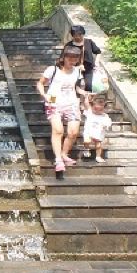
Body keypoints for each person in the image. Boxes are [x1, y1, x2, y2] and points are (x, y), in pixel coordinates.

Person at [36, 45, 86, 179]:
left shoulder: (77, 71)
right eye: (70, 58)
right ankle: (58, 159)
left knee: (73, 132)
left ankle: (64, 154)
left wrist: (85, 94)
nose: (72, 61)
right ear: (63, 57)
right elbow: (40, 83)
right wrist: (44, 95)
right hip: (53, 101)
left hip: (72, 102)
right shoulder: (53, 70)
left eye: (75, 58)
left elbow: (76, 88)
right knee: (58, 130)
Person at [65, 25, 101, 93]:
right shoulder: (69, 45)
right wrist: (76, 67)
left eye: (80, 35)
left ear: (83, 34)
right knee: (74, 87)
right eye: (75, 35)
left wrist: (97, 61)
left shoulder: (89, 42)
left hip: (88, 68)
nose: (78, 37)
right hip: (74, 69)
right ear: (72, 35)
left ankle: (87, 101)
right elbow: (65, 59)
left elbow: (98, 52)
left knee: (89, 86)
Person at [82, 93, 113, 163]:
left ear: (104, 109)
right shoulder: (90, 113)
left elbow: (108, 123)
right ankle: (86, 149)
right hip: (88, 132)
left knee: (98, 145)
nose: (98, 111)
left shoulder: (104, 116)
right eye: (96, 109)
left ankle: (98, 156)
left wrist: (106, 125)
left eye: (100, 110)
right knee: (87, 141)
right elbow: (86, 104)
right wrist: (87, 97)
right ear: (92, 107)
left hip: (98, 133)